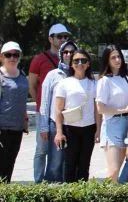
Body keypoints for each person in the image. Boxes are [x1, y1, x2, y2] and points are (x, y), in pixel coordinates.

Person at [28, 23, 71, 184]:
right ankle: (39, 181)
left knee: (59, 150)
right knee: (42, 149)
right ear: (50, 39)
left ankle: (58, 179)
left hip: (62, 114)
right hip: (44, 112)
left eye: (65, 36)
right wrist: (40, 103)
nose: (63, 39)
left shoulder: (71, 59)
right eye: (59, 36)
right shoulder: (39, 59)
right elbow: (32, 85)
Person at [53, 48, 100, 182]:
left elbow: (97, 110)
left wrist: (98, 130)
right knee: (69, 163)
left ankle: (82, 191)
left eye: (83, 61)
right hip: (69, 128)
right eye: (76, 61)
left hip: (89, 128)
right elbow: (58, 110)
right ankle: (69, 191)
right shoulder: (64, 83)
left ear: (88, 64)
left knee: (84, 164)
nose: (80, 63)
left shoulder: (94, 83)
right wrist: (59, 132)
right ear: (71, 64)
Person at [95, 45, 128, 183]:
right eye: (113, 57)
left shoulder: (125, 78)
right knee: (113, 171)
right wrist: (124, 110)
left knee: (121, 168)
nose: (117, 60)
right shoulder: (104, 81)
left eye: (119, 56)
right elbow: (100, 108)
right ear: (107, 60)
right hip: (113, 125)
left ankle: (120, 192)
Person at [37, 40, 76, 182]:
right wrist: (44, 126)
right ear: (61, 54)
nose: (69, 54)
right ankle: (51, 188)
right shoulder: (53, 75)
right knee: (55, 161)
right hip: (55, 124)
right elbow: (45, 101)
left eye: (72, 52)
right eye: (66, 52)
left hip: (74, 125)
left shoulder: (79, 74)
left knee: (71, 161)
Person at [0, 41, 29, 182]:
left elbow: (22, 101)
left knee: (10, 163)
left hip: (17, 128)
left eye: (15, 55)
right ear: (2, 57)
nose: (12, 58)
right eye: (8, 55)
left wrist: (25, 120)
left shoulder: (22, 75)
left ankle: (5, 191)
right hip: (2, 128)